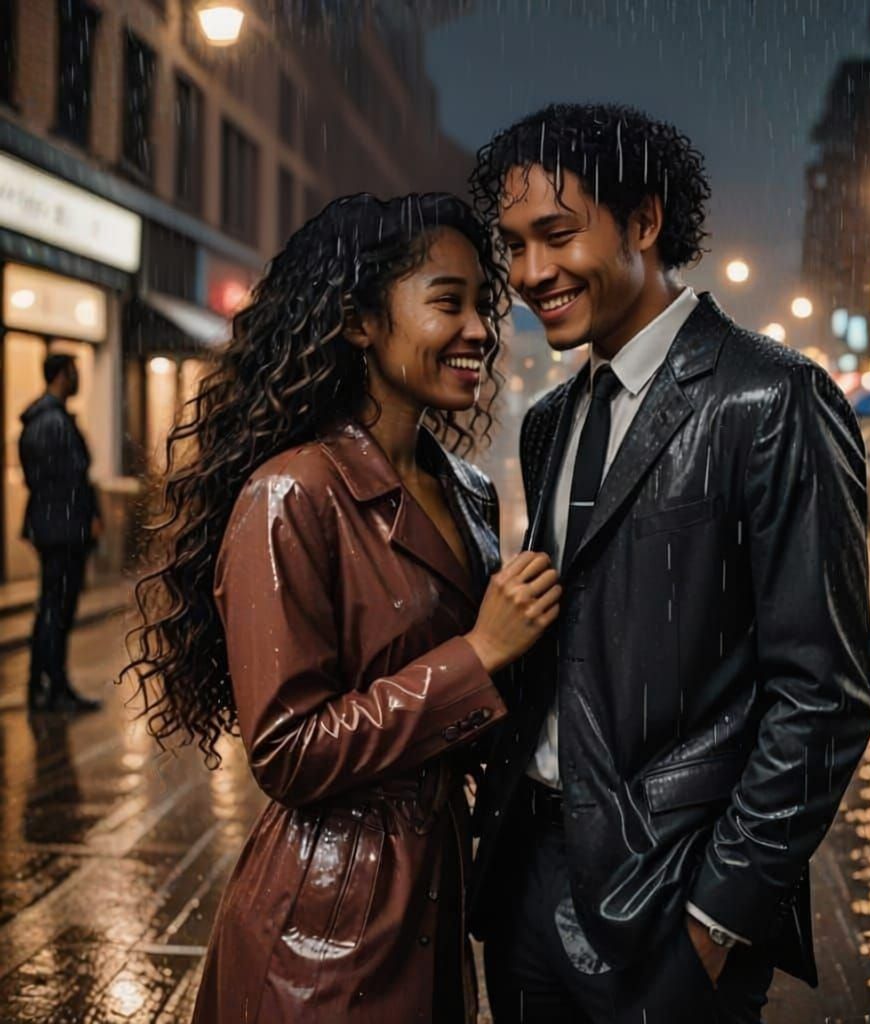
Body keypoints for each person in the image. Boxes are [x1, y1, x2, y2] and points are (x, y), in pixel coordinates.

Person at [467, 102, 870, 1023]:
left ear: (645, 221)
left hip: (673, 897)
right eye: (514, 246)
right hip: (527, 881)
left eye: (558, 236)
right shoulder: (550, 422)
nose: (531, 275)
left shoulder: (773, 398)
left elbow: (823, 698)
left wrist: (716, 916)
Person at [123, 193, 562, 1023]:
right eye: (447, 302)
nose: (479, 331)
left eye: (482, 306)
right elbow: (287, 752)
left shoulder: (465, 491)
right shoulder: (292, 493)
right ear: (360, 321)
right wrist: (479, 655)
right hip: (325, 931)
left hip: (437, 896)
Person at [19, 353, 102, 713]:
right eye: (74, 372)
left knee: (53, 606)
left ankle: (45, 682)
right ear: (61, 376)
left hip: (57, 526)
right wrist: (83, 515)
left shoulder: (48, 419)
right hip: (61, 529)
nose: (78, 378)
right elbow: (64, 479)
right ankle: (52, 685)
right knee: (56, 607)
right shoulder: (51, 423)